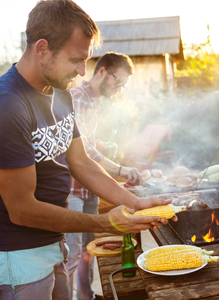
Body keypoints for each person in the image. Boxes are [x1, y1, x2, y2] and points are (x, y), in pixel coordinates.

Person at [0, 1, 175, 299]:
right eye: (75, 60)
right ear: (42, 49)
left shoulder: (61, 95)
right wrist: (104, 223)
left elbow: (81, 162)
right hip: (17, 255)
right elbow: (22, 210)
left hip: (54, 243)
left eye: (87, 60)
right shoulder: (6, 106)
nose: (82, 72)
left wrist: (134, 202)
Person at [67, 52, 142, 300]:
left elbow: (86, 140)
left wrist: (100, 144)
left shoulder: (95, 101)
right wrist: (119, 170)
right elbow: (82, 152)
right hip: (72, 190)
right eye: (118, 82)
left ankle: (85, 296)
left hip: (88, 189)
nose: (119, 89)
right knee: (73, 253)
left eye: (123, 86)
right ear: (102, 72)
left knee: (89, 250)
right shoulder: (77, 98)